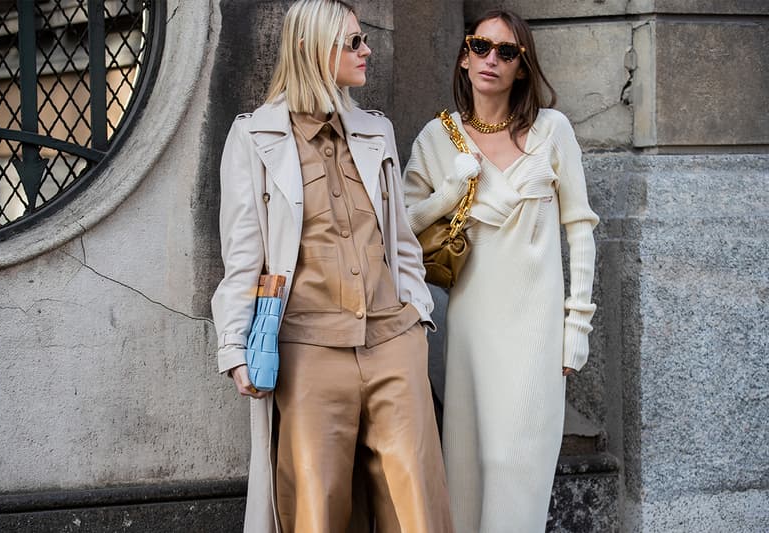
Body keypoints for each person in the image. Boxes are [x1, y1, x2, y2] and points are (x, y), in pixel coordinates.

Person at [211, 1, 453, 531]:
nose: (367, 51)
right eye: (353, 42)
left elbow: (400, 239)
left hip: (393, 341)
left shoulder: (376, 131)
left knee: (419, 512)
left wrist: (417, 315)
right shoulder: (256, 138)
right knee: (315, 511)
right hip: (308, 352)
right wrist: (234, 349)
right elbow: (243, 256)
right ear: (310, 48)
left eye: (364, 39)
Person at [403, 9, 599, 533]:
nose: (492, 59)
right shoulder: (437, 139)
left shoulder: (552, 131)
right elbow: (399, 226)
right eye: (481, 47)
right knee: (466, 474)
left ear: (522, 66)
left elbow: (580, 226)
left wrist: (577, 322)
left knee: (518, 470)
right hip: (468, 332)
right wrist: (449, 192)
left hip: (536, 333)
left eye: (506, 52)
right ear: (465, 57)